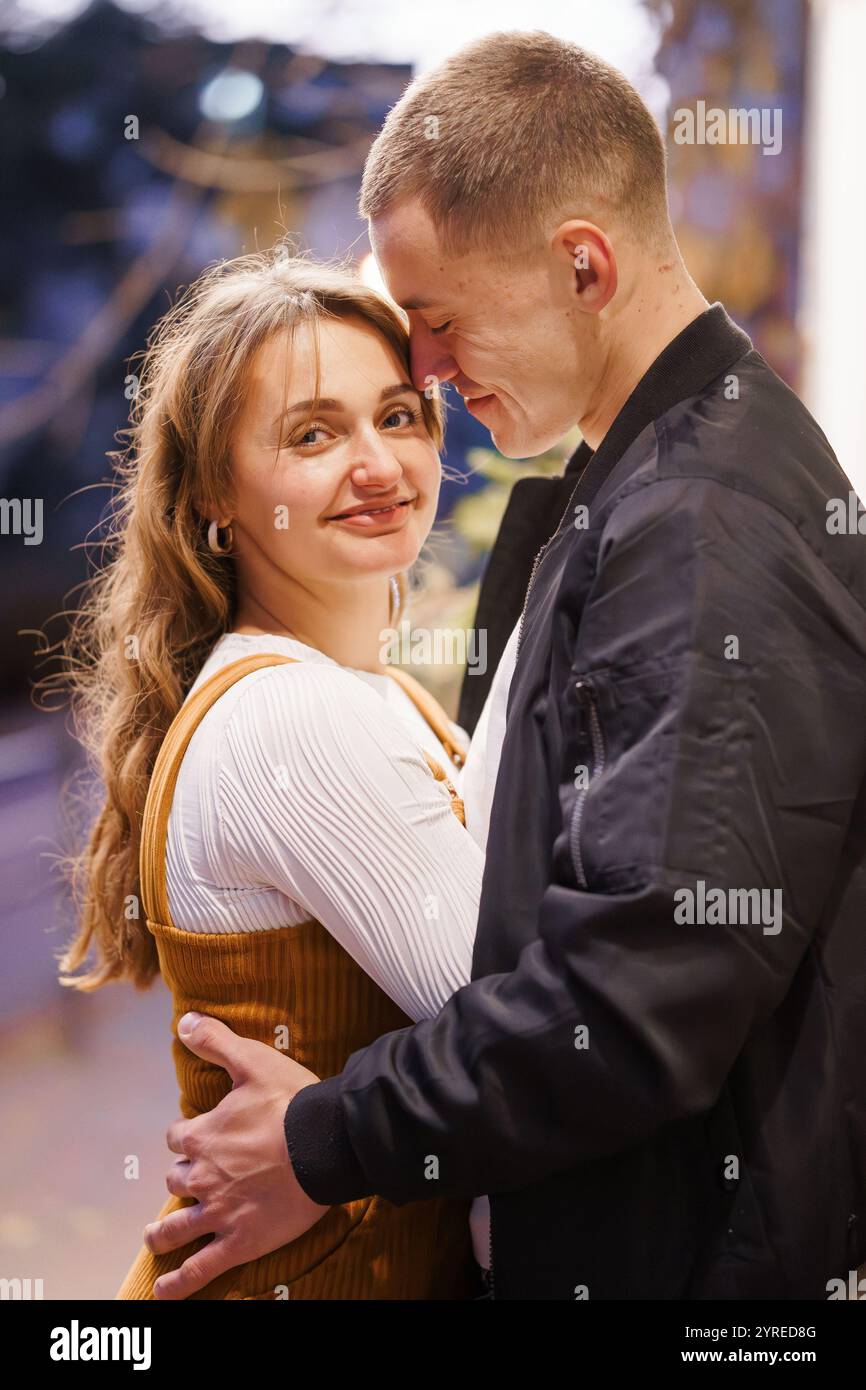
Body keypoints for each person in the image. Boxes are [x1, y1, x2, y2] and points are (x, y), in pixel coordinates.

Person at [143, 32, 866, 1301]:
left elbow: (636, 988)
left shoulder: (697, 520)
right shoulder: (639, 487)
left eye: (435, 322)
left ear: (581, 264)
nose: (422, 371)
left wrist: (324, 1137)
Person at [53, 250, 498, 1298]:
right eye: (312, 434)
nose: (379, 464)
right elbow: (525, 1033)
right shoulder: (291, 716)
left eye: (396, 415)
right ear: (216, 490)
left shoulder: (369, 693)